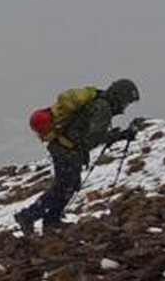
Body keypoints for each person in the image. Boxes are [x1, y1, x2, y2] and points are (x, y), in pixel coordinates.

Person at [16, 80, 142, 233]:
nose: (125, 107)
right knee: (63, 187)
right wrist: (121, 135)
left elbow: (91, 134)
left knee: (69, 185)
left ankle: (51, 221)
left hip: (65, 148)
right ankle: (29, 216)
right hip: (67, 150)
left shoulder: (99, 103)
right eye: (126, 102)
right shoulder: (103, 108)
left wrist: (114, 135)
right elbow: (94, 137)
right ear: (119, 97)